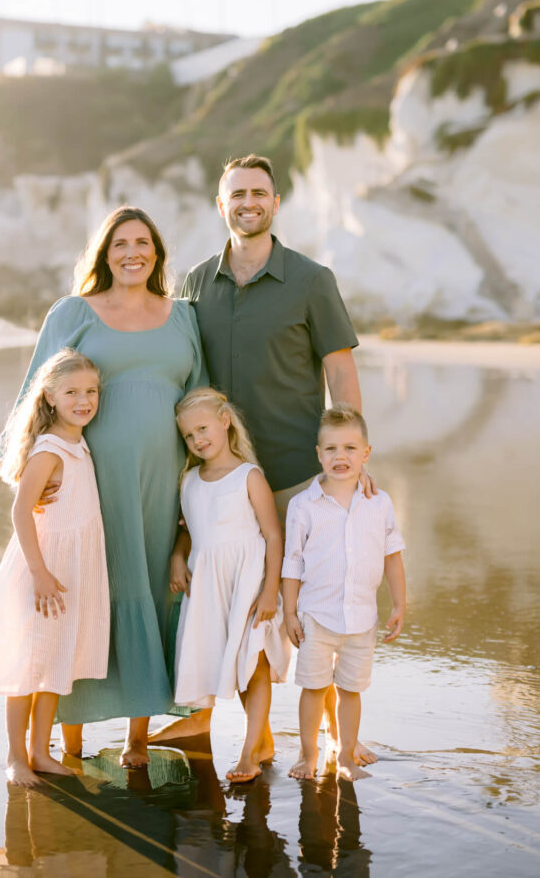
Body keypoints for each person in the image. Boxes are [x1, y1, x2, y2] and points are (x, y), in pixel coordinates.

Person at [152, 154, 375, 763]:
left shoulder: (311, 279)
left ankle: (325, 730)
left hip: (293, 472)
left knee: (300, 603)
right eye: (236, 194)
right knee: (216, 592)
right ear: (220, 206)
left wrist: (351, 454)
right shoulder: (195, 282)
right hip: (218, 475)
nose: (248, 202)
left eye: (259, 192)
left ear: (275, 203)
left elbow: (339, 368)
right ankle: (214, 723)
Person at [3, 206, 205, 767]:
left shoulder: (183, 316)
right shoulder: (74, 312)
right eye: (120, 243)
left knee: (146, 587)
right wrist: (26, 472)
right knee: (81, 593)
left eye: (143, 242)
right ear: (104, 253)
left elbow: (200, 402)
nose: (132, 252)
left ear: (158, 253)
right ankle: (64, 742)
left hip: (161, 484)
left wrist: (207, 487)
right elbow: (35, 392)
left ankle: (137, 737)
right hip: (85, 483)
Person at [0, 350, 109, 787]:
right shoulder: (50, 448)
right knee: (28, 665)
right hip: (41, 570)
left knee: (55, 660)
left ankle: (40, 750)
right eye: (72, 392)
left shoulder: (80, 442)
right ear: (50, 396)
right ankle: (16, 756)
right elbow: (20, 512)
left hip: (69, 571)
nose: (84, 400)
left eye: (91, 391)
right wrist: (39, 572)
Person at [170, 388, 290, 782]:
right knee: (230, 663)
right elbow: (190, 530)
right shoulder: (189, 480)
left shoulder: (248, 476)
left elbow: (273, 536)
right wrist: (176, 556)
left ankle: (249, 753)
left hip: (248, 580)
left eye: (203, 428)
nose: (197, 439)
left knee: (252, 666)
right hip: (209, 586)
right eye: (189, 435)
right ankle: (265, 741)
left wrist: (270, 589)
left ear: (225, 421)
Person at [282, 404, 406, 781]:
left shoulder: (379, 503)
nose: (341, 457)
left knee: (351, 690)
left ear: (366, 454)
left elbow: (392, 555)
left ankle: (347, 755)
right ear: (318, 454)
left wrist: (400, 603)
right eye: (331, 449)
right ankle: (309, 754)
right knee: (313, 688)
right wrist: (289, 612)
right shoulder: (303, 505)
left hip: (360, 618)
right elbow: (292, 563)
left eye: (351, 448)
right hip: (316, 616)